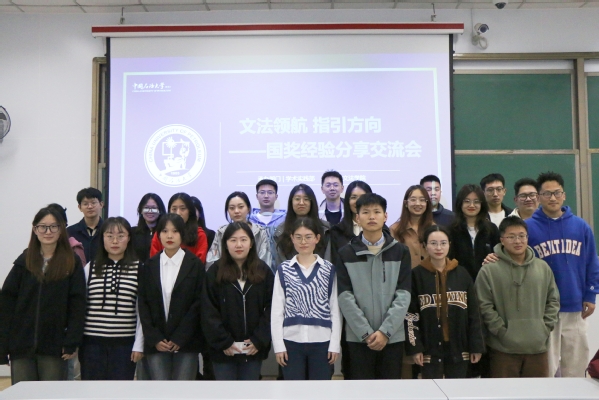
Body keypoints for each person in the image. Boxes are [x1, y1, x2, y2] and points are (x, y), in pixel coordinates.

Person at [525, 171, 599, 377]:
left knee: (576, 367)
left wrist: (591, 295)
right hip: (543, 309)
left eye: (557, 193)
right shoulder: (528, 228)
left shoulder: (581, 226)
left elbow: (592, 262)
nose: (553, 198)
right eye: (547, 194)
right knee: (546, 368)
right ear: (539, 197)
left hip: (576, 306)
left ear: (564, 195)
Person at [0, 207, 86, 384]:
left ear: (61, 229)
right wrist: (3, 344)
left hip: (55, 346)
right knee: (23, 394)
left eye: (54, 226)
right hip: (21, 345)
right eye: (43, 227)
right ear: (35, 229)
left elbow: (77, 304)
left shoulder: (71, 261)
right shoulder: (24, 261)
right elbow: (6, 303)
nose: (48, 232)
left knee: (51, 394)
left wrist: (71, 340)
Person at [336, 193, 411, 380]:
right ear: (357, 218)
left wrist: (385, 332)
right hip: (358, 338)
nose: (371, 216)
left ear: (385, 216)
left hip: (392, 337)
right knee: (360, 390)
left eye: (377, 212)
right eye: (366, 212)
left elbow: (403, 295)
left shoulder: (400, 251)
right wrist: (365, 333)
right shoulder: (345, 253)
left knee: (389, 390)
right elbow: (344, 296)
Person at [475, 216, 560, 378]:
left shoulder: (543, 267)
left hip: (537, 348)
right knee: (504, 391)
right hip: (503, 349)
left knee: (537, 391)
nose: (517, 241)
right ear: (502, 240)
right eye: (511, 236)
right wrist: (501, 332)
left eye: (522, 236)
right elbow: (483, 305)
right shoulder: (489, 270)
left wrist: (544, 328)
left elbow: (553, 301)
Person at [405, 225, 484, 379]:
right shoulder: (416, 276)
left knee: (458, 390)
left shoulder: (462, 274)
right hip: (428, 348)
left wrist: (476, 346)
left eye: (443, 243)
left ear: (449, 245)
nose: (438, 248)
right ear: (424, 246)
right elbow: (410, 315)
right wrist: (415, 347)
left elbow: (474, 313)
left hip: (459, 347)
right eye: (433, 243)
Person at [202, 222, 274, 380]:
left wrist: (258, 340)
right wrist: (224, 342)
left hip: (253, 349)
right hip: (223, 351)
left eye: (243, 239)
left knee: (249, 392)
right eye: (233, 240)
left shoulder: (263, 272)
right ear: (225, 244)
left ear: (251, 243)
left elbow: (272, 309)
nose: (239, 245)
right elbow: (208, 311)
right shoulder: (214, 272)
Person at [271, 217, 341, 380]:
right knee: (293, 390)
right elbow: (277, 311)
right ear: (292, 238)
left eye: (308, 237)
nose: (303, 242)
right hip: (291, 341)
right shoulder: (283, 270)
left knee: (320, 390)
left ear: (317, 238)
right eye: (298, 237)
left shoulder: (329, 269)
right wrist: (279, 346)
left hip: (322, 341)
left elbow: (335, 309)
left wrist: (334, 344)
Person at [138, 213, 204, 380]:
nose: (169, 236)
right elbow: (144, 304)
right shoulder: (149, 265)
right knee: (160, 390)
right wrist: (155, 338)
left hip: (186, 342)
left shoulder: (194, 264)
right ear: (158, 234)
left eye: (175, 231)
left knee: (182, 390)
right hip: (157, 342)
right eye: (165, 231)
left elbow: (198, 303)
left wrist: (180, 337)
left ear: (182, 234)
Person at [79, 217, 144, 380]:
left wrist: (139, 344)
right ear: (102, 239)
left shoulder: (139, 268)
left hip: (124, 344)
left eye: (121, 236)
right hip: (91, 344)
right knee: (92, 389)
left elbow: (143, 312)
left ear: (129, 238)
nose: (115, 241)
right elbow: (80, 306)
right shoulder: (90, 267)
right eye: (109, 236)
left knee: (120, 390)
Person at [449, 184, 500, 282]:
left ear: (482, 204)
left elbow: (500, 255)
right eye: (467, 201)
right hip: (459, 282)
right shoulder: (451, 230)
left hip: (488, 281)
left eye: (476, 201)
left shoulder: (491, 229)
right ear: (460, 203)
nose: (471, 205)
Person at [206, 191, 271, 268]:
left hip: (255, 273)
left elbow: (265, 260)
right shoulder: (221, 232)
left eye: (241, 207)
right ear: (228, 211)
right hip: (225, 273)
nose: (236, 211)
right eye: (232, 208)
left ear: (248, 208)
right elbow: (212, 261)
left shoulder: (260, 232)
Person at [274, 184, 331, 268]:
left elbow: (329, 259)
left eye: (306, 199)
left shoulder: (325, 229)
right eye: (297, 199)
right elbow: (281, 263)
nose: (301, 203)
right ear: (291, 202)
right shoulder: (281, 231)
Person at [150, 193, 208, 264]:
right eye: (174, 209)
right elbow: (154, 261)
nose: (178, 213)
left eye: (183, 209)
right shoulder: (161, 233)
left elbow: (199, 263)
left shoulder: (199, 234)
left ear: (190, 211)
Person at [390, 185, 435, 269]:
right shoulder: (395, 229)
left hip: (429, 275)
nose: (417, 203)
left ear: (427, 203)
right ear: (406, 203)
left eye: (422, 200)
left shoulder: (434, 229)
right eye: (413, 200)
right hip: (404, 275)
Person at [67, 187, 104, 263]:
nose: (90, 207)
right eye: (85, 204)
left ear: (101, 204)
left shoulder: (108, 230)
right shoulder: (70, 232)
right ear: (79, 207)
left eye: (93, 203)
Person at [132, 193, 166, 265]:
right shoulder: (132, 232)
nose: (150, 211)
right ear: (141, 210)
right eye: (146, 208)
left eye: (154, 208)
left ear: (160, 210)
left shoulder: (165, 233)